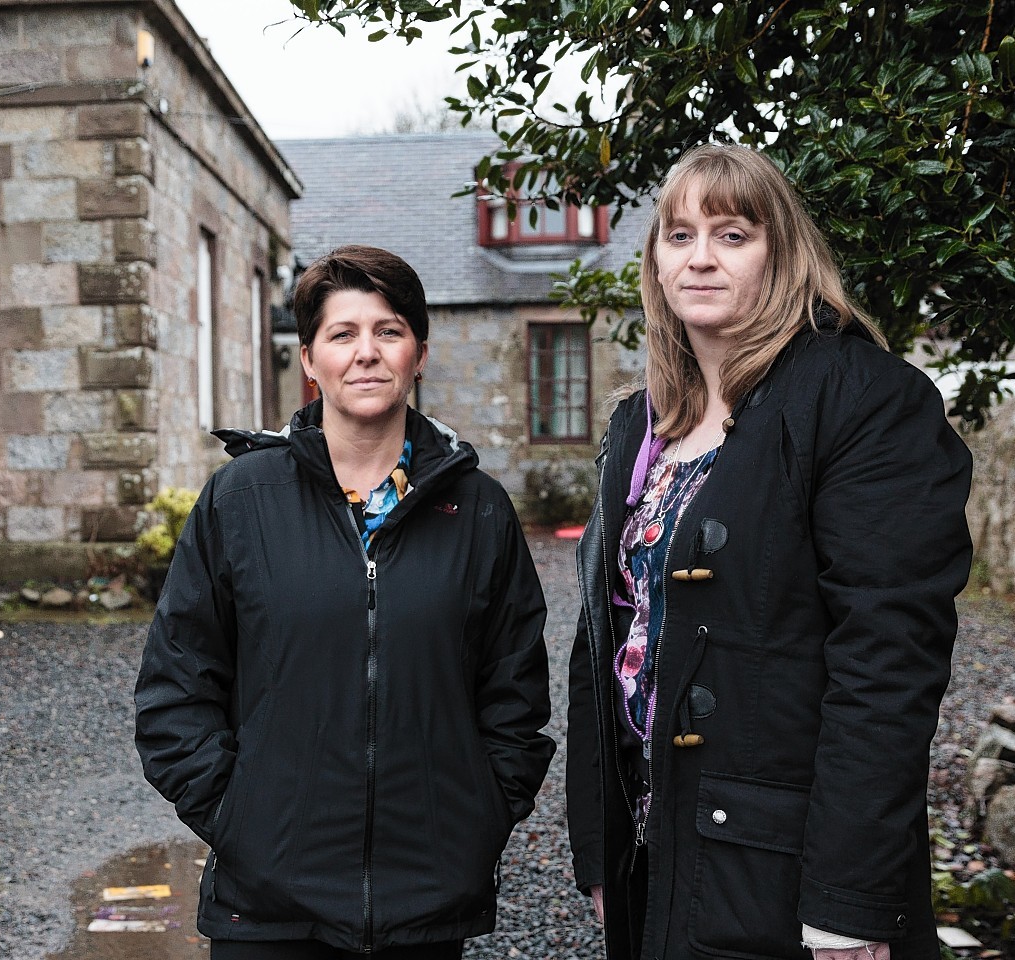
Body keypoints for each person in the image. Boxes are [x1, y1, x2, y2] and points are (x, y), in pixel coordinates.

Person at [566, 143, 973, 960]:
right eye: (678, 237)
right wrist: (603, 855)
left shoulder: (864, 400)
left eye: (731, 234)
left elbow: (886, 665)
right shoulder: (639, 424)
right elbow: (601, 650)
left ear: (779, 250)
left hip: (783, 867)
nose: (701, 259)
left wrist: (848, 904)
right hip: (657, 848)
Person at [135, 244, 554, 960]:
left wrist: (474, 818)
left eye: (388, 331)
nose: (367, 353)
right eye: (342, 334)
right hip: (266, 907)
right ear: (309, 359)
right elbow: (177, 686)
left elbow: (513, 693)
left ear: (418, 353)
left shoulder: (478, 510)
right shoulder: (240, 501)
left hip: (424, 904)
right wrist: (242, 820)